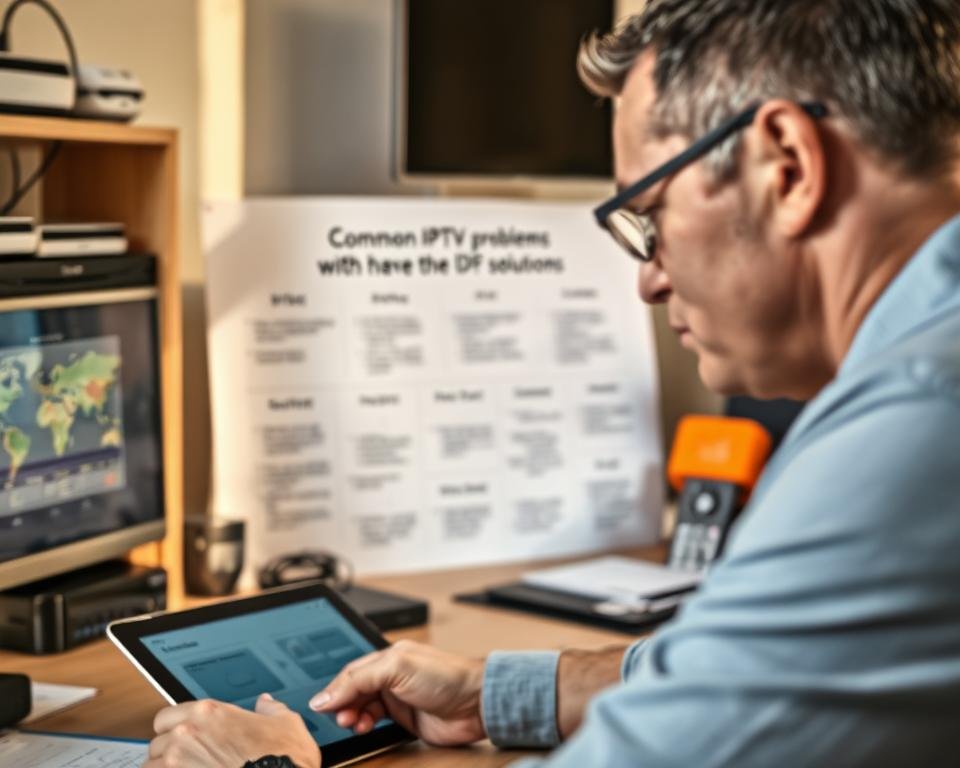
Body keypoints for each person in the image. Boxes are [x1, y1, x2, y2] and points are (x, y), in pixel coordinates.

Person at [144, 1, 960, 766]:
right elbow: (758, 661)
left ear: (787, 164)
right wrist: (498, 692)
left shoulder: (914, 427)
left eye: (649, 216)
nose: (646, 281)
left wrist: (267, 763)